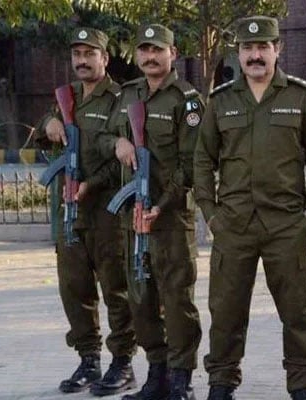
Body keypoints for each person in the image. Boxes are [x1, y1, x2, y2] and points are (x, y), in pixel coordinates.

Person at [194, 15, 306, 400]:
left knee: (297, 314)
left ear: (277, 49)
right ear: (238, 53)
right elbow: (202, 160)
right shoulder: (221, 101)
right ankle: (221, 384)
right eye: (247, 48)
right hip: (233, 225)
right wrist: (211, 213)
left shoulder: (300, 97)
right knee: (225, 313)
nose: (255, 55)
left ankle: (302, 387)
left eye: (263, 47)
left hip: (286, 225)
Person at [97, 23, 203, 400]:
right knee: (141, 296)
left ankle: (180, 379)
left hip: (171, 218)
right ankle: (155, 374)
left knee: (176, 299)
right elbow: (104, 136)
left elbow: (192, 164)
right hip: (133, 216)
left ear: (172, 53)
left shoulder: (186, 99)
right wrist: (119, 142)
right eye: (144, 50)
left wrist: (161, 203)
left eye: (157, 50)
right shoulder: (128, 94)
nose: (150, 57)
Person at [34, 27, 136, 396]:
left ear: (104, 59)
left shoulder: (121, 99)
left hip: (107, 211)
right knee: (74, 288)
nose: (81, 61)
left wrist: (91, 184)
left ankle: (122, 362)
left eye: (89, 54)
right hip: (68, 213)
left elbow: (125, 157)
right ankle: (88, 360)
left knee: (116, 289)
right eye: (76, 55)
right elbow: (39, 135)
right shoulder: (66, 97)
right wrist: (49, 123)